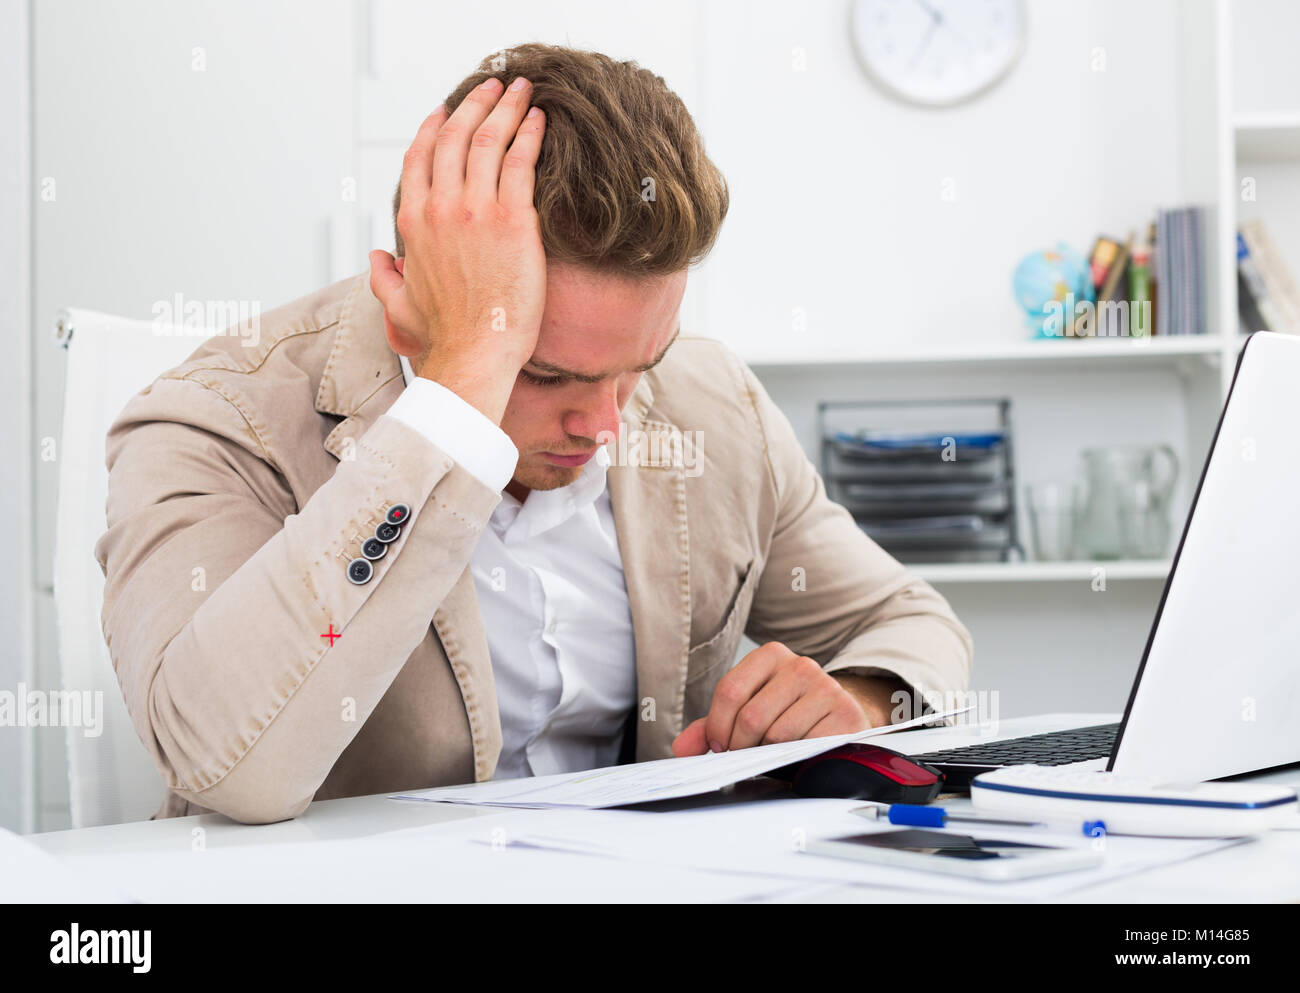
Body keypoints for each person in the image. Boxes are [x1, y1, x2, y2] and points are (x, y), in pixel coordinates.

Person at [96, 43, 973, 824]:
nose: (604, 423)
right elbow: (230, 771)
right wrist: (462, 385)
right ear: (408, 295)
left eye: (639, 362)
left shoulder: (714, 404)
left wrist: (855, 702)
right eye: (544, 372)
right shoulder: (210, 420)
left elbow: (911, 622)